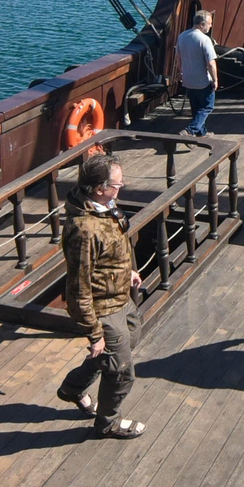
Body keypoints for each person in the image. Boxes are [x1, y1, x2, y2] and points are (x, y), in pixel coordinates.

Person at [56, 154, 146, 438]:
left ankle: (73, 388)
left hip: (120, 296)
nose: (122, 187)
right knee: (121, 371)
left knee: (130, 339)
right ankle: (108, 423)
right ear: (98, 188)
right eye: (117, 184)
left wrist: (127, 270)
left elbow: (115, 244)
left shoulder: (106, 206)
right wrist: (95, 334)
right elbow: (78, 287)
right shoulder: (84, 230)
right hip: (103, 307)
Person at [178, 10, 218, 137]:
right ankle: (190, 130)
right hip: (202, 81)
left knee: (196, 108)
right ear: (202, 24)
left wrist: (181, 72)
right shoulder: (205, 40)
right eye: (209, 23)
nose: (211, 26)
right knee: (207, 106)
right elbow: (211, 63)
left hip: (188, 79)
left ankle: (202, 133)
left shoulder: (182, 36)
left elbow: (178, 57)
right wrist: (215, 80)